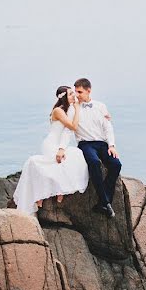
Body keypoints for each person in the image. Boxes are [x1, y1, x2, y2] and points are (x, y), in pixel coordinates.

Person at [13, 86, 89, 214]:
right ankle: (40, 194)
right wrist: (77, 109)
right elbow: (73, 126)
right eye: (71, 94)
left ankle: (60, 190)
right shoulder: (58, 111)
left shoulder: (68, 110)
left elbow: (68, 131)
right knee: (55, 164)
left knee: (77, 156)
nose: (74, 96)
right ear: (64, 97)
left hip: (60, 144)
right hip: (51, 144)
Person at [71, 77, 121, 219]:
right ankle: (106, 201)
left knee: (116, 164)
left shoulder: (100, 106)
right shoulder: (73, 108)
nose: (77, 95)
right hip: (85, 144)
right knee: (93, 162)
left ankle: (102, 203)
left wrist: (111, 145)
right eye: (75, 92)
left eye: (80, 92)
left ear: (88, 91)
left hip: (102, 143)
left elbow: (107, 127)